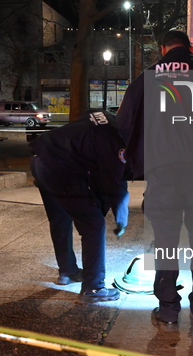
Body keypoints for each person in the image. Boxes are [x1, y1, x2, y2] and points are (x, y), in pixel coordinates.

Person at [117, 30, 193, 325]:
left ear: (163, 49)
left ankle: (169, 308)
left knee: (165, 241)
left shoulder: (147, 77)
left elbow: (123, 125)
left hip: (163, 172)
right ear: (190, 48)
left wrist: (134, 161)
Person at [29, 110, 126, 303]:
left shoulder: (104, 115)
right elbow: (114, 184)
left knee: (60, 218)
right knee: (94, 225)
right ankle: (93, 288)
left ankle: (67, 271)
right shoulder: (118, 140)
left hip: (40, 159)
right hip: (59, 170)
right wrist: (121, 215)